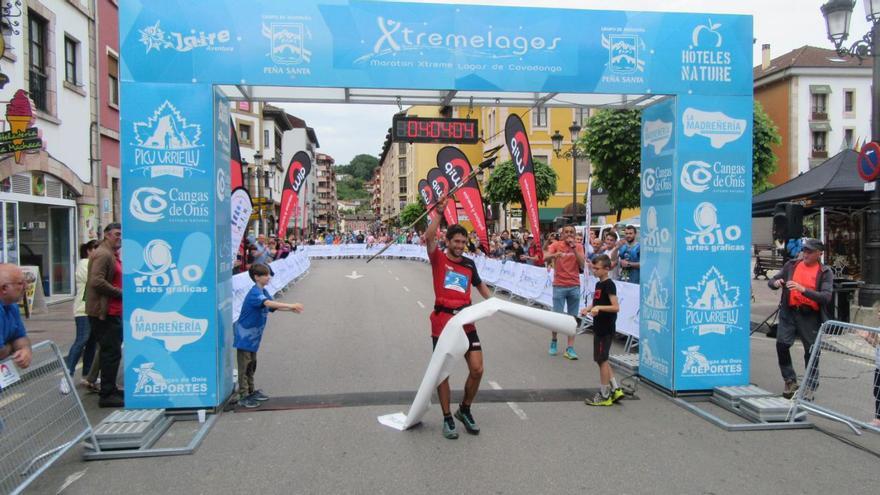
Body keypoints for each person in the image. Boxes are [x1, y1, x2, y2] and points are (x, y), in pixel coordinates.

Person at [425, 195, 492, 440]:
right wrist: (439, 213)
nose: (461, 245)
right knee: (443, 373)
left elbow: (481, 285)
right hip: (442, 322)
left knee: (477, 369)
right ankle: (446, 417)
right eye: (456, 241)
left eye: (464, 241)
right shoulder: (439, 259)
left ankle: (464, 409)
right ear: (448, 240)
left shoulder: (469, 264)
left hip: (466, 321)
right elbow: (428, 237)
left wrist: (493, 302)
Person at [768, 238, 833, 400]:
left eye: (810, 251)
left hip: (809, 315)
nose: (806, 254)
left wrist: (803, 289)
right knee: (782, 344)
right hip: (789, 312)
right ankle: (790, 380)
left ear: (820, 254)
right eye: (805, 250)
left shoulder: (825, 272)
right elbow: (772, 281)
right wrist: (776, 283)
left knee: (811, 351)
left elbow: (826, 297)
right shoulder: (791, 265)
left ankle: (810, 386)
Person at [234, 263, 304, 408]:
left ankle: (251, 391)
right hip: (245, 336)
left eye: (268, 274)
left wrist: (290, 310)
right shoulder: (254, 293)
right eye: (265, 275)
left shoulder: (263, 291)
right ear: (256, 277)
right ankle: (243, 395)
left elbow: (273, 305)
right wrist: (291, 305)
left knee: (252, 364)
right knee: (244, 365)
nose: (268, 277)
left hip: (253, 337)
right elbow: (268, 303)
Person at [86, 223, 124, 408]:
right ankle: (107, 393)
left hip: (113, 311)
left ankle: (110, 389)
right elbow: (96, 281)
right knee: (110, 352)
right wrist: (119, 292)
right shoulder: (103, 254)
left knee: (112, 352)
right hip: (105, 312)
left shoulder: (111, 254)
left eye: (121, 235)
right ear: (107, 235)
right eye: (116, 234)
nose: (119, 238)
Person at [580, 254, 623, 406]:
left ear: (606, 269)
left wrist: (599, 308)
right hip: (599, 327)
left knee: (602, 359)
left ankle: (604, 395)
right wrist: (589, 308)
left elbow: (615, 307)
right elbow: (596, 302)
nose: (594, 271)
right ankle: (615, 389)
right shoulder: (599, 284)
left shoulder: (609, 284)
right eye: (593, 268)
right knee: (601, 359)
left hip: (605, 328)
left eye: (597, 269)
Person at [544, 224, 585, 360]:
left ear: (574, 234)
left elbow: (582, 264)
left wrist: (573, 248)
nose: (568, 234)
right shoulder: (556, 244)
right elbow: (544, 257)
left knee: (572, 318)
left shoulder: (578, 246)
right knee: (557, 317)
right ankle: (554, 341)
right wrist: (555, 255)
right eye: (566, 232)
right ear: (562, 234)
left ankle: (570, 348)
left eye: (571, 232)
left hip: (574, 285)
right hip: (559, 285)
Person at [66, 240, 100, 389]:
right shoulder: (85, 264)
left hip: (94, 309)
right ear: (88, 251)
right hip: (83, 309)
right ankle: (68, 376)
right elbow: (96, 280)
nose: (98, 252)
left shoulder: (93, 263)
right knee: (81, 340)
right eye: (95, 249)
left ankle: (87, 375)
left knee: (92, 343)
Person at [0, 264, 32, 369]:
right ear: (4, 288)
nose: (26, 287)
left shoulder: (12, 305)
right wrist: (12, 347)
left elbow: (20, 336)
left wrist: (25, 349)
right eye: (20, 283)